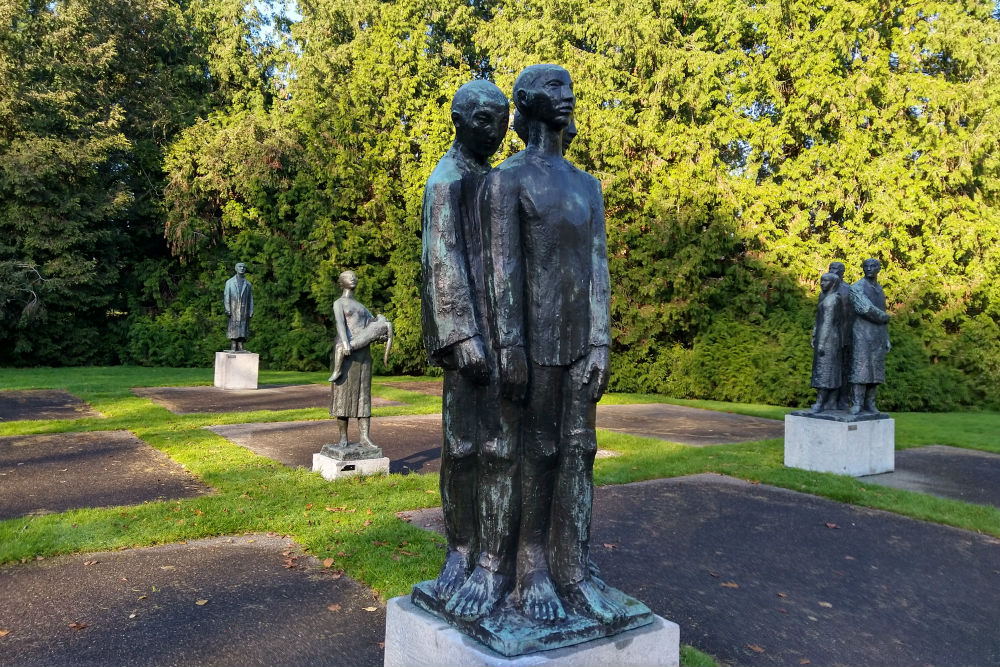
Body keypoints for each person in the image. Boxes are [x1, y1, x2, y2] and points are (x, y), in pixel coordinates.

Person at [482, 64, 621, 624]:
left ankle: (576, 569)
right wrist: (510, 344)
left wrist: (602, 341)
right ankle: (531, 564)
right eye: (555, 89)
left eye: (569, 88)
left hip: (580, 339)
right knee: (536, 453)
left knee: (580, 451)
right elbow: (502, 267)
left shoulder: (587, 185)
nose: (568, 97)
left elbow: (598, 266)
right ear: (529, 103)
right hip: (532, 341)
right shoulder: (507, 179)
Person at [420, 80, 518, 620]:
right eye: (484, 118)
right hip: (475, 342)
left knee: (497, 451)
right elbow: (442, 261)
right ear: (457, 119)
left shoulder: (493, 178)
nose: (496, 127)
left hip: (504, 337)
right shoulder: (449, 179)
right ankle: (461, 554)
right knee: (462, 451)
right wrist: (463, 338)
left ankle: (491, 559)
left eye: (502, 117)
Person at [329, 270, 392, 449]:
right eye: (349, 277)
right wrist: (345, 343)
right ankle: (343, 438)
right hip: (346, 352)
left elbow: (372, 324)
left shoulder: (361, 306)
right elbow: (340, 324)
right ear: (342, 282)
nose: (354, 278)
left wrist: (382, 331)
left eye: (355, 276)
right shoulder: (339, 303)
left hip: (363, 355)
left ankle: (365, 437)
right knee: (343, 396)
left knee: (363, 396)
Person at [849, 258, 890, 414]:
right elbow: (864, 308)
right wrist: (884, 317)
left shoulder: (880, 289)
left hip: (878, 334)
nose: (869, 268)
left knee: (876, 370)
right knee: (860, 369)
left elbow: (883, 316)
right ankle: (857, 403)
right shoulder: (857, 287)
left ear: (879, 268)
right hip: (861, 333)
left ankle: (870, 403)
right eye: (866, 266)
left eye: (873, 266)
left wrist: (886, 338)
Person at [809, 272, 844, 412]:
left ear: (833, 283)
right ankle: (832, 403)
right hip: (832, 338)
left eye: (825, 281)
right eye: (821, 280)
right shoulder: (833, 298)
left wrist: (821, 343)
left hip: (828, 339)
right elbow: (820, 321)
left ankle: (819, 403)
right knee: (833, 370)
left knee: (824, 371)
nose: (822, 283)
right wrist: (814, 334)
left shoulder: (831, 300)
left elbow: (827, 323)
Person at [826, 261, 854, 409]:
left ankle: (843, 400)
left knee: (844, 369)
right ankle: (829, 400)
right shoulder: (826, 288)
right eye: (830, 268)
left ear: (843, 272)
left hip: (846, 334)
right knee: (829, 368)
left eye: (836, 269)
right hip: (829, 336)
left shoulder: (849, 289)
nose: (832, 271)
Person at [223, 262, 253, 352]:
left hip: (244, 310)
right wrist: (227, 309)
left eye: (244, 267)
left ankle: (240, 346)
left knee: (243, 327)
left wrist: (251, 310)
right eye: (240, 266)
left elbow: (250, 298)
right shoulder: (230, 282)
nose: (242, 268)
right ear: (236, 268)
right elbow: (226, 296)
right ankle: (233, 346)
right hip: (233, 309)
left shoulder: (248, 284)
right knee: (233, 327)